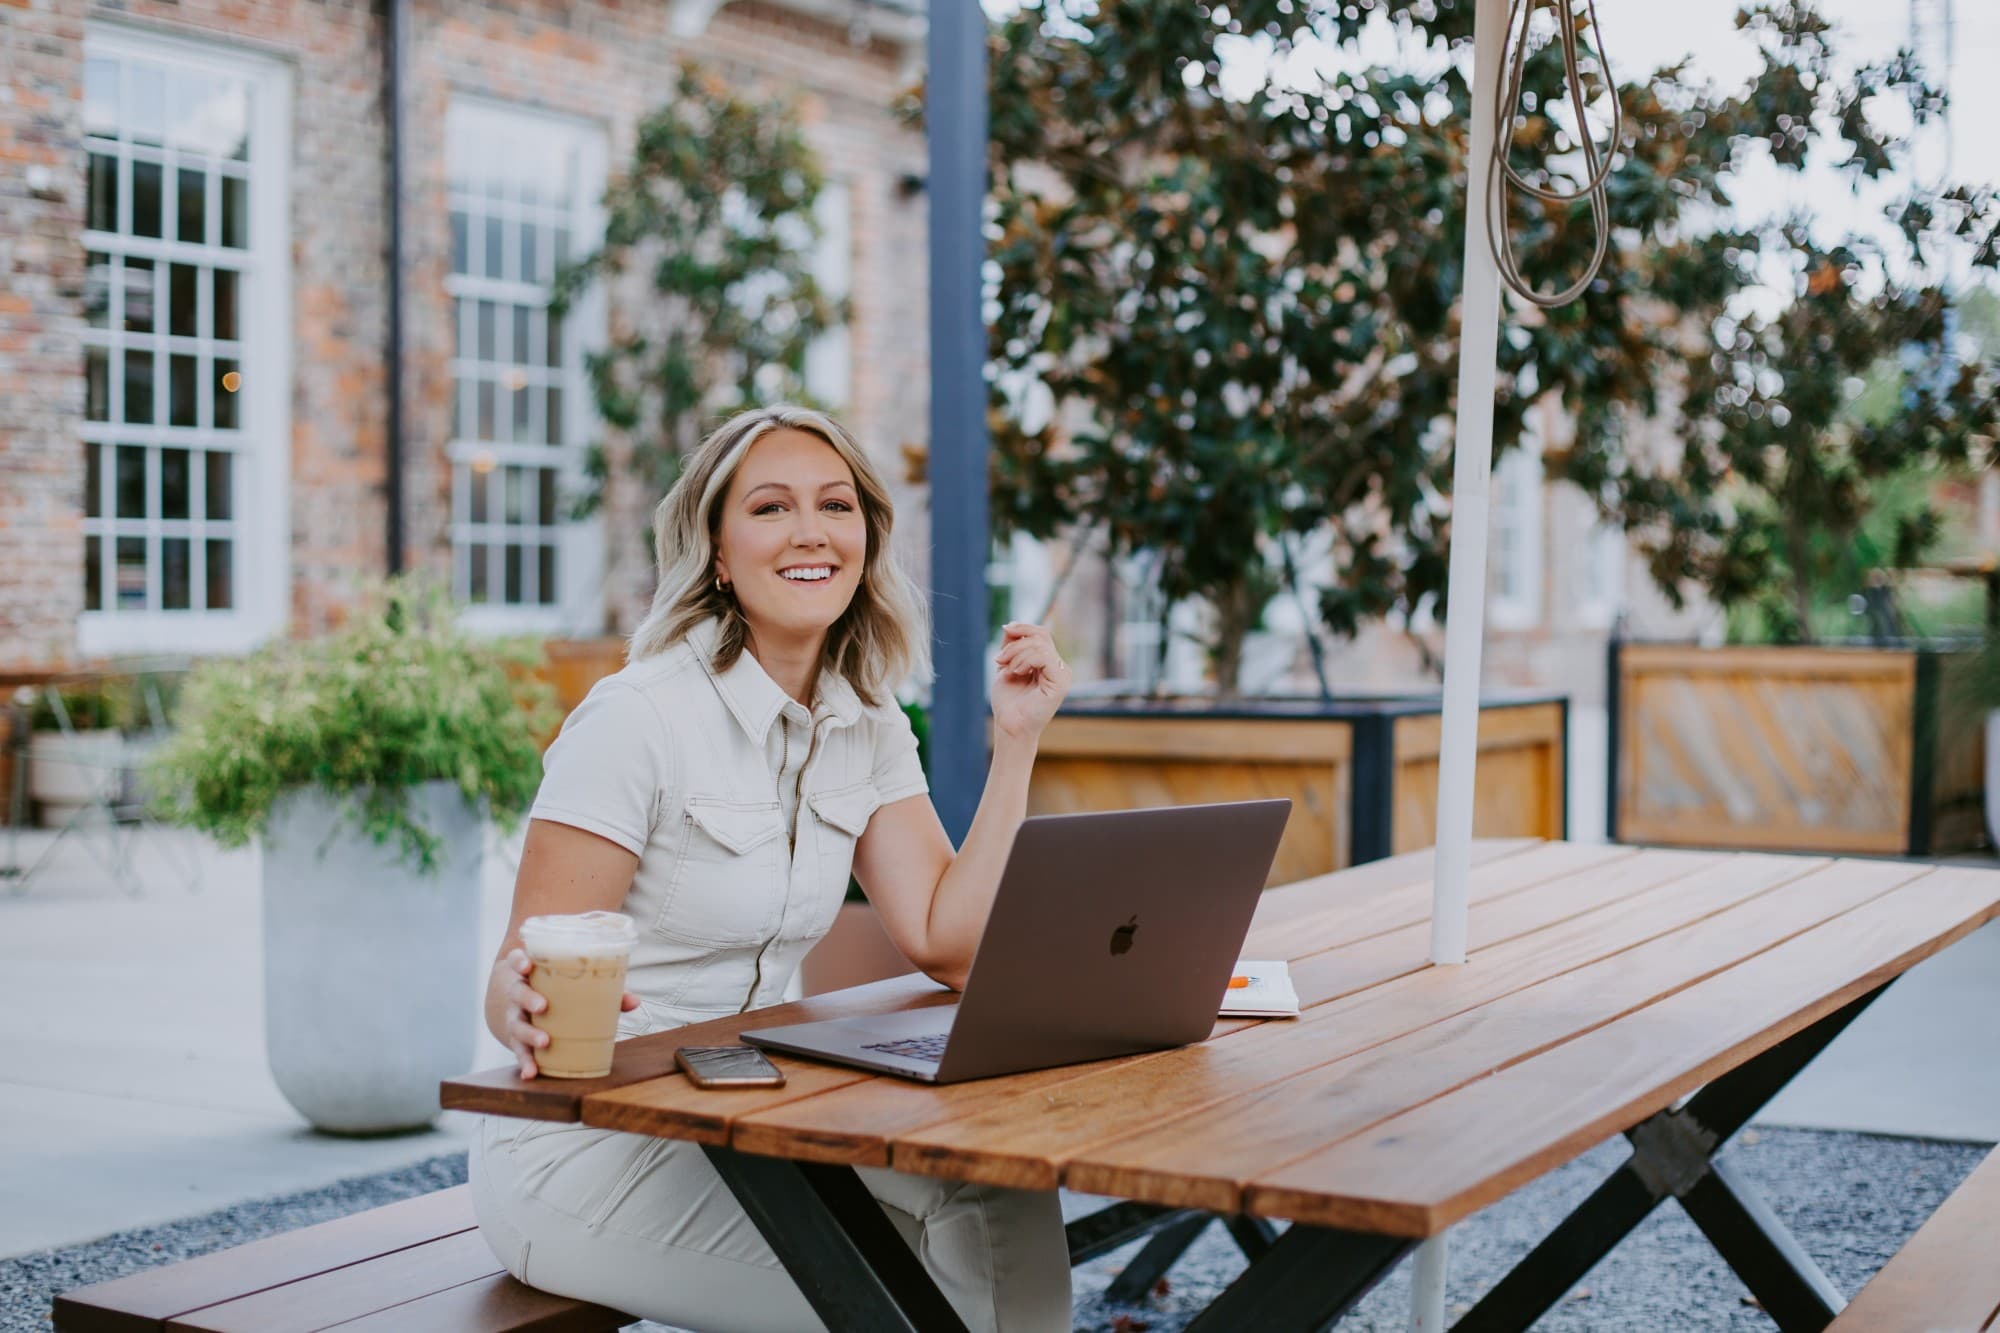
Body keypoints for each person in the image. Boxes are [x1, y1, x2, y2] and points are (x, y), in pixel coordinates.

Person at [469, 404, 1076, 1333]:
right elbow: (524, 971)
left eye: (836, 505)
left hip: (754, 1111)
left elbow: (955, 946)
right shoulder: (638, 718)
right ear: (717, 551)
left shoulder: (866, 720)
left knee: (1003, 1193)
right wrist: (518, 998)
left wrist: (1017, 746)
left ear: (867, 540)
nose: (810, 532)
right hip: (591, 1145)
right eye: (770, 508)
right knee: (931, 1303)